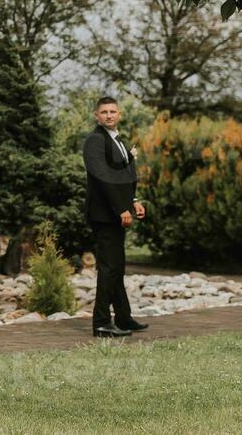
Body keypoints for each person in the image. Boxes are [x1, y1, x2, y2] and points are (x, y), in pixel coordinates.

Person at [82, 95, 149, 338]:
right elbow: (103, 179)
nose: (109, 115)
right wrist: (121, 209)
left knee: (117, 267)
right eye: (104, 112)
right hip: (103, 214)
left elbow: (123, 174)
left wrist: (133, 200)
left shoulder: (119, 140)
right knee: (109, 267)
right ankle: (101, 323)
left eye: (113, 111)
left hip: (118, 209)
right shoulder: (94, 141)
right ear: (96, 116)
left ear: (119, 114)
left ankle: (123, 317)